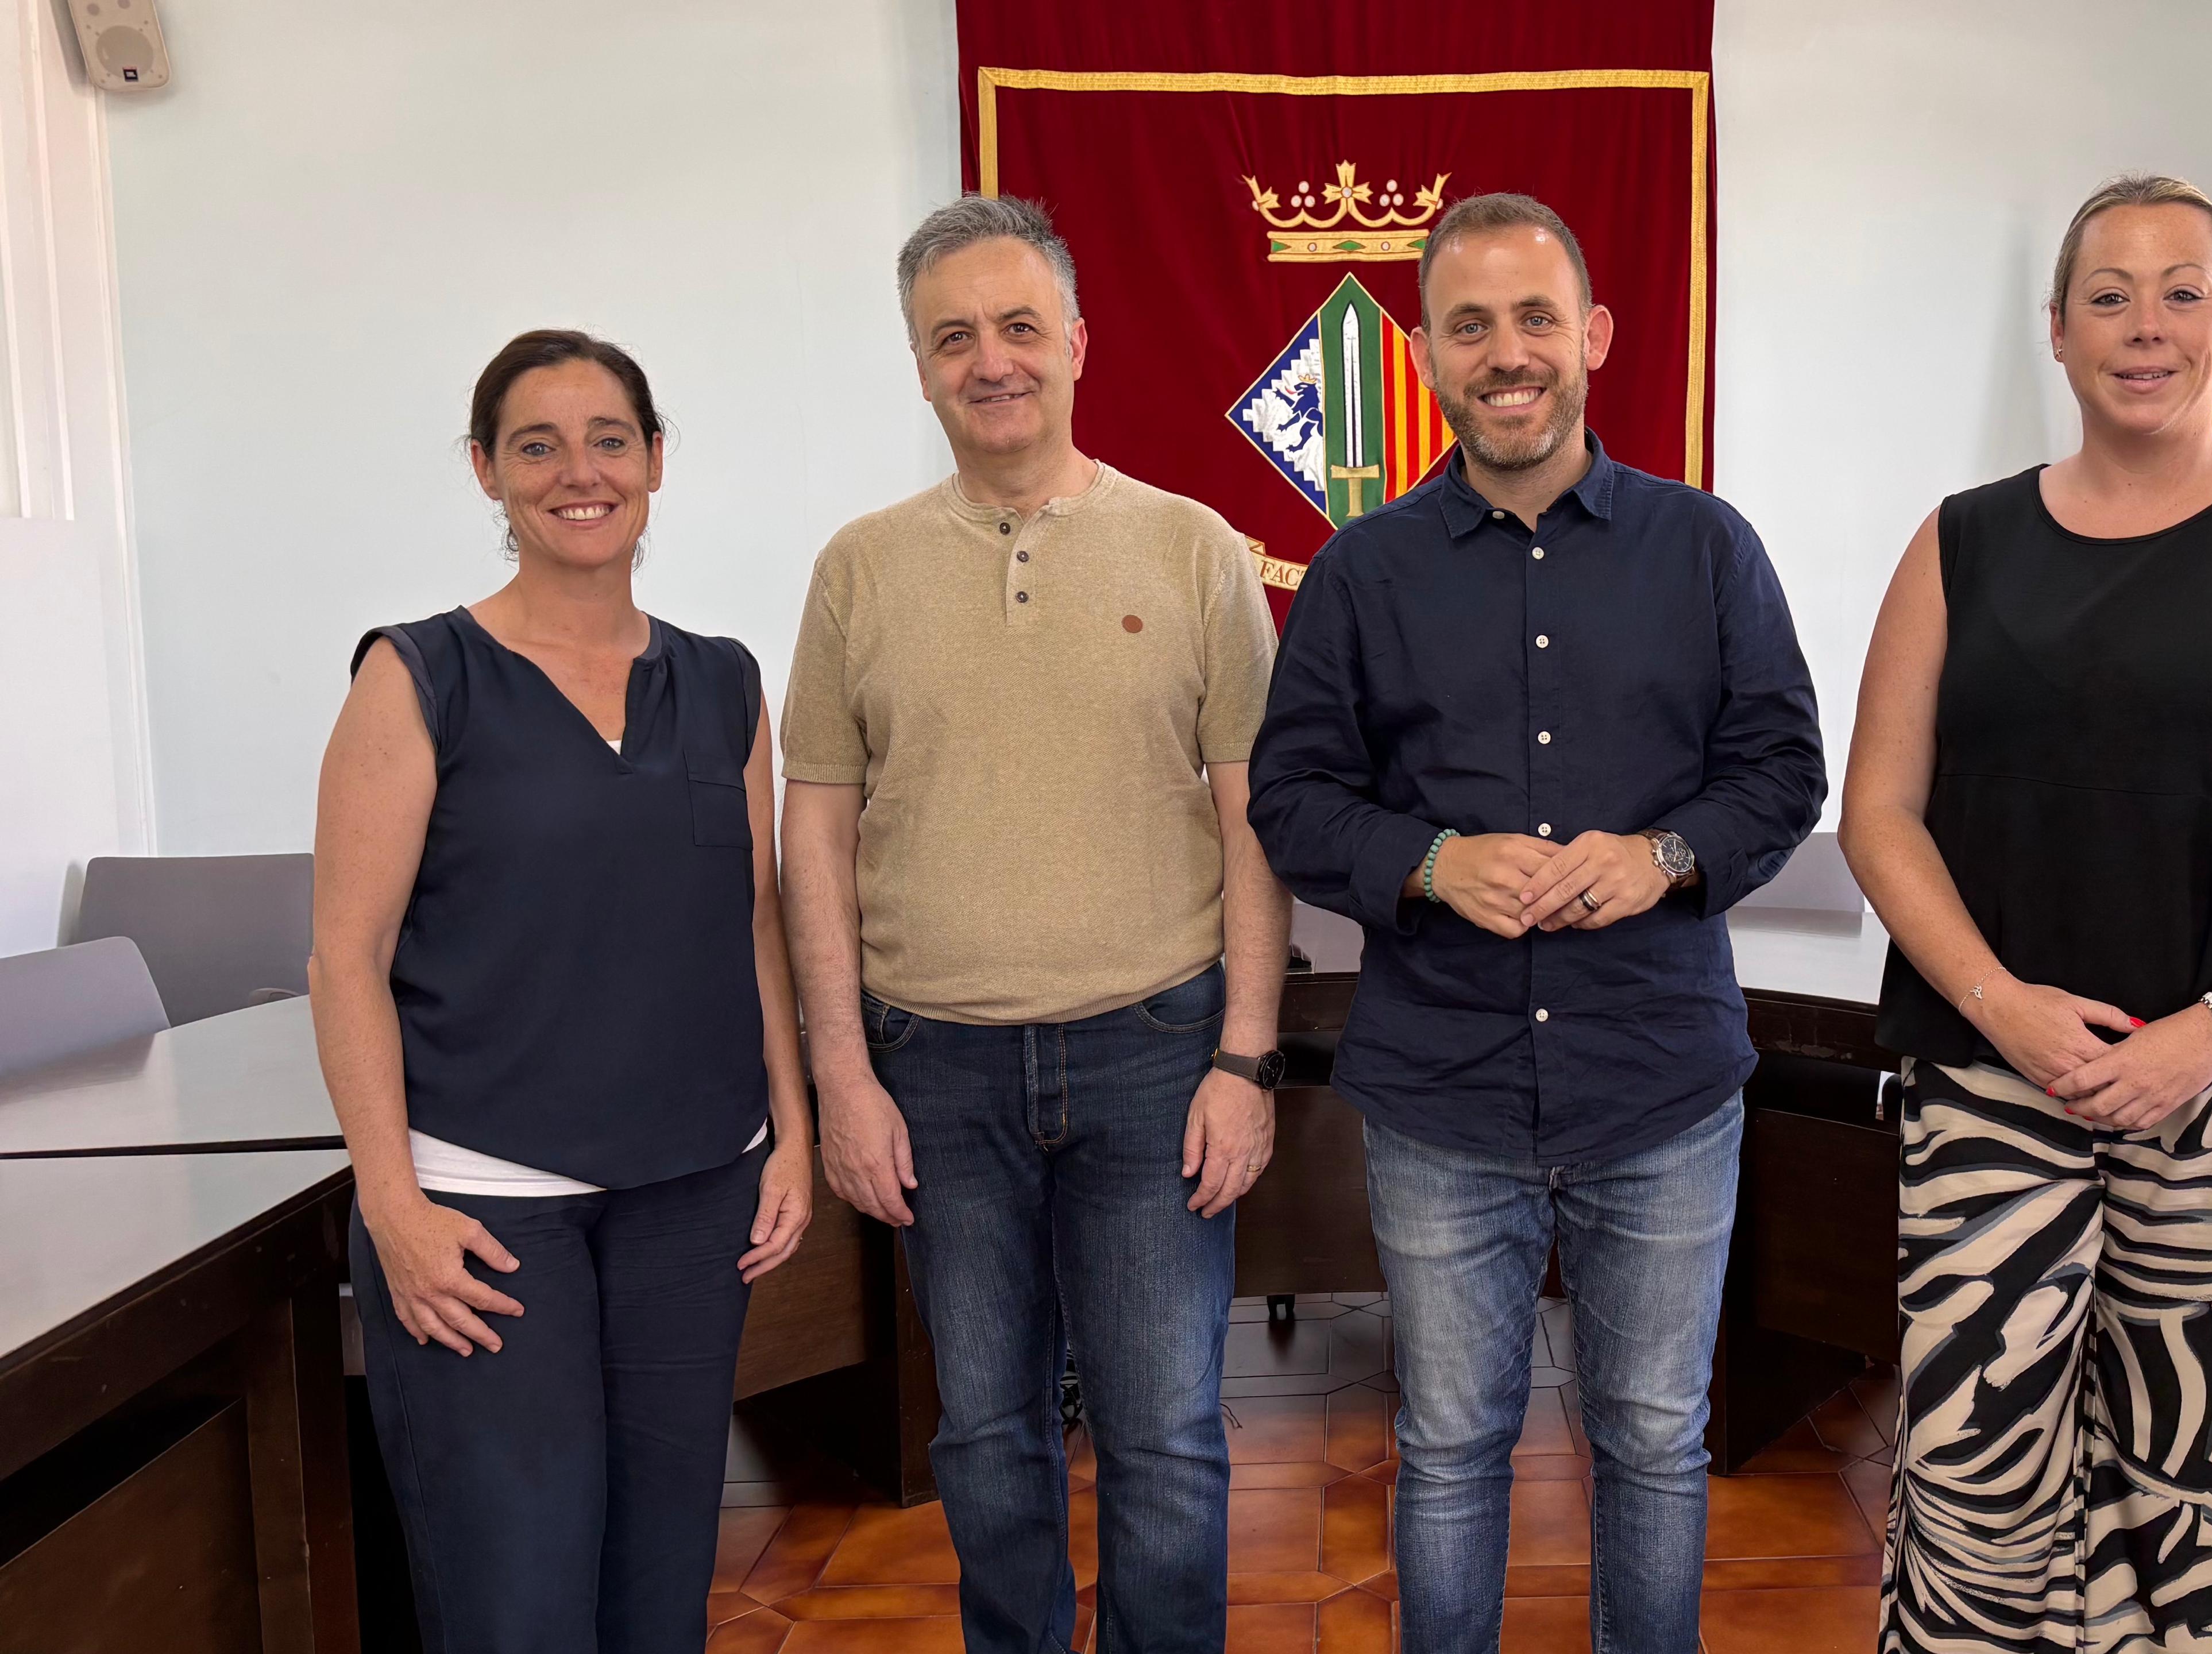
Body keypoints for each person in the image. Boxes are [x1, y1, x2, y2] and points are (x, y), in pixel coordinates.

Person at [1839, 173, 2212, 1652]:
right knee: (1975, 1489)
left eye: (2183, 291)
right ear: (2057, 332)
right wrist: (1997, 1003)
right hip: (1991, 1085)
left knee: (2205, 1496)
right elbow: (1878, 816)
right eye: (2108, 295)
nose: (2145, 326)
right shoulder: (1959, 544)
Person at [1247, 192, 1827, 1654]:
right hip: (1439, 1091)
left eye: (1534, 318)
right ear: (1427, 356)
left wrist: (1666, 854)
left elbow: (1782, 774)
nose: (1505, 353)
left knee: (1651, 1438)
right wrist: (1432, 862)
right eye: (1468, 325)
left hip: (1662, 1089)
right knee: (1447, 1449)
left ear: (1593, 338)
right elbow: (1293, 799)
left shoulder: (1708, 549)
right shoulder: (1360, 571)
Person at [779, 195, 1285, 1654]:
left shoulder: (1195, 551)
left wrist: (1245, 1064)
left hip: (1154, 1055)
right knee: (985, 1442)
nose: (989, 361)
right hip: (930, 1069)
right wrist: (844, 1077)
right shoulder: (857, 570)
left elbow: (1256, 817)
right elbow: (813, 826)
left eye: (1016, 327)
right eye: (954, 338)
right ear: (921, 368)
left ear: (1075, 341)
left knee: (1168, 1440)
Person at [312, 329, 815, 1654]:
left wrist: (792, 1139)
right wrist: (390, 1204)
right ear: (486, 472)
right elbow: (343, 960)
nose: (576, 472)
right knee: (517, 1608)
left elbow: (752, 923)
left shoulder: (723, 682)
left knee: (658, 1604)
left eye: (609, 440)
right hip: (485, 1216)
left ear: (655, 463)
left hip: (695, 1198)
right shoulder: (418, 678)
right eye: (536, 445)